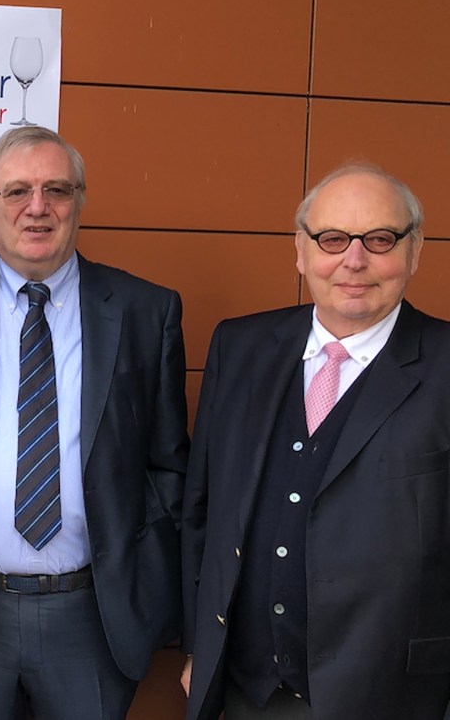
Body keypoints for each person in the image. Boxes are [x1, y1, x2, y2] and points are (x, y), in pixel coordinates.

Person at [0, 125, 188, 718]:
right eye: (17, 191)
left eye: (57, 189)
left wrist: (152, 592)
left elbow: (169, 464)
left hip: (92, 618)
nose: (38, 206)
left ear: (79, 202)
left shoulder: (146, 311)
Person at [181, 164, 450, 719]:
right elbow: (202, 512)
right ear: (301, 251)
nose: (354, 259)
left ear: (415, 251)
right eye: (332, 239)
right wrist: (198, 646)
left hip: (391, 698)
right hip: (247, 692)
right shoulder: (239, 347)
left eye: (380, 239)